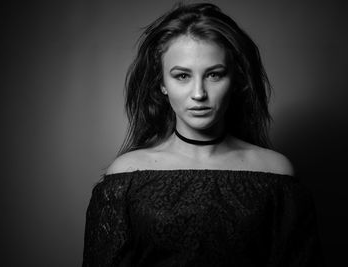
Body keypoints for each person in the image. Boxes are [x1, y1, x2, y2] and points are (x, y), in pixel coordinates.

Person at [82, 2, 323, 266]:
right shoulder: (125, 178)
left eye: (214, 75)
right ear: (161, 83)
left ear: (236, 79)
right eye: (182, 76)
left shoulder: (276, 177)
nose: (199, 93)